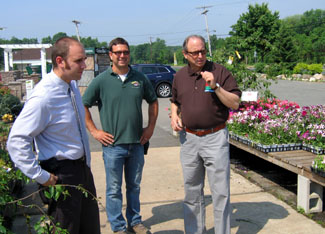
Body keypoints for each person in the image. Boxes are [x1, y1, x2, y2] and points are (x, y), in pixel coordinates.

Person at [7, 37, 100, 234]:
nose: (84, 65)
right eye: (78, 61)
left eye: (84, 59)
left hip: (82, 170)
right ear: (60, 61)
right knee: (67, 229)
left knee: (90, 228)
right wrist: (39, 176)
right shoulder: (44, 97)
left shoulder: (71, 85)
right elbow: (16, 141)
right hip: (61, 174)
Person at [82, 37, 158, 234]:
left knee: (134, 186)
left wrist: (150, 128)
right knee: (114, 189)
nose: (122, 55)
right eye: (118, 52)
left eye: (125, 52)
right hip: (113, 146)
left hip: (136, 144)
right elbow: (84, 105)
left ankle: (135, 222)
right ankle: (118, 226)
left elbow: (153, 101)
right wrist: (94, 131)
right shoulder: (101, 80)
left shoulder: (139, 78)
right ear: (111, 55)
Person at [170, 35, 241, 234]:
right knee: (191, 191)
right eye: (195, 53)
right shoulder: (180, 76)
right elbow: (175, 100)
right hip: (189, 139)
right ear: (185, 54)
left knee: (220, 192)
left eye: (203, 51)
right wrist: (174, 115)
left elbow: (234, 103)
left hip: (215, 137)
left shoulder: (220, 71)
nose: (200, 56)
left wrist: (216, 85)